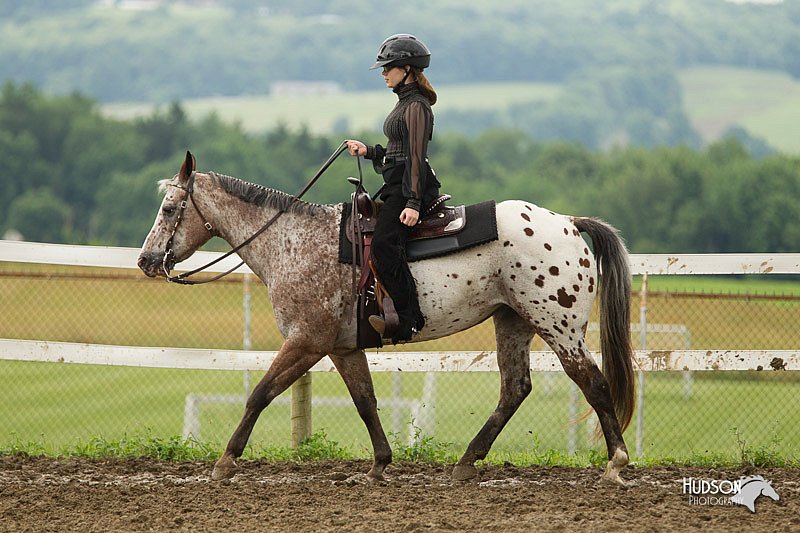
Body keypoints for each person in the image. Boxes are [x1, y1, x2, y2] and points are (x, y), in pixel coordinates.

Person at [346, 33, 441, 343]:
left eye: (388, 68)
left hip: (409, 188)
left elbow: (416, 156)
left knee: (386, 246)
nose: (384, 74)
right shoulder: (404, 104)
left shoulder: (416, 106)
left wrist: (413, 203)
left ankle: (409, 319)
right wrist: (369, 152)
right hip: (397, 184)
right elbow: (396, 152)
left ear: (407, 70)